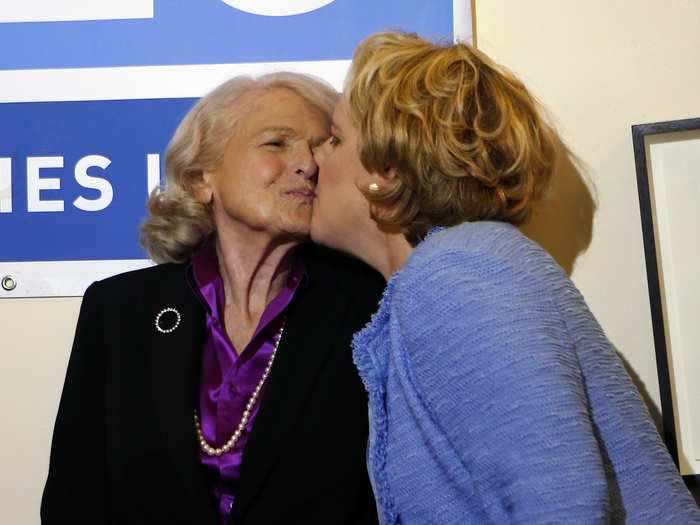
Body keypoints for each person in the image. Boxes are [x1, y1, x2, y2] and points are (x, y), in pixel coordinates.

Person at [310, 31, 700, 524]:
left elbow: (561, 509)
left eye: (336, 139)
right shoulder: (463, 270)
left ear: (384, 169)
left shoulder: (456, 276)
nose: (315, 157)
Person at [41, 72, 383, 525]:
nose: (308, 163)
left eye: (320, 146)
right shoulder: (119, 312)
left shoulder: (369, 308)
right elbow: (75, 500)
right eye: (277, 143)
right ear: (203, 177)